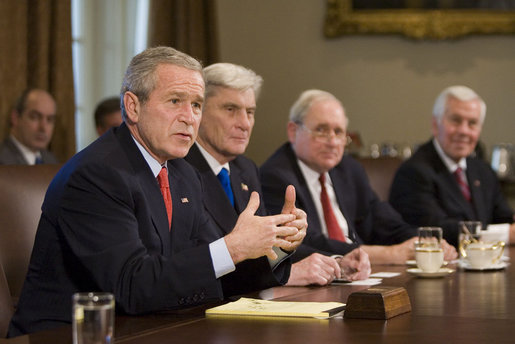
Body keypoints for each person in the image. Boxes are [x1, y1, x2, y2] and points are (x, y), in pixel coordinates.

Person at [8, 47, 307, 337]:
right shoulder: (96, 175)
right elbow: (131, 286)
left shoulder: (183, 173)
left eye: (196, 105)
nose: (189, 117)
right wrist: (233, 247)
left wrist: (274, 245)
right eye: (175, 101)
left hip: (149, 327)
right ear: (133, 106)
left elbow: (207, 272)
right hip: (67, 335)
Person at [184, 63, 370, 286]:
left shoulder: (245, 169)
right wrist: (288, 275)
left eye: (250, 112)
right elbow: (199, 262)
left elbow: (260, 254)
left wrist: (295, 247)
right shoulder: (179, 168)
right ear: (199, 110)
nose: (244, 123)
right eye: (230, 109)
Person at [260, 89, 457, 264]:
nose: (332, 142)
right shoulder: (275, 177)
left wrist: (424, 243)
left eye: (338, 132)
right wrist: (388, 255)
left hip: (359, 273)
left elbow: (384, 222)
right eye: (321, 130)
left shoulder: (349, 169)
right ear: (293, 131)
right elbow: (306, 243)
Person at [389, 85, 515, 247]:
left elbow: (502, 216)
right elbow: (437, 230)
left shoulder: (482, 170)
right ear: (435, 125)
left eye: (472, 123)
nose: (464, 131)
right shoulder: (413, 172)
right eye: (455, 120)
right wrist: (504, 234)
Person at [0, 88, 58, 164]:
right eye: (35, 117)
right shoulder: (2, 160)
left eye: (49, 120)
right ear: (15, 118)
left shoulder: (52, 161)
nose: (43, 128)